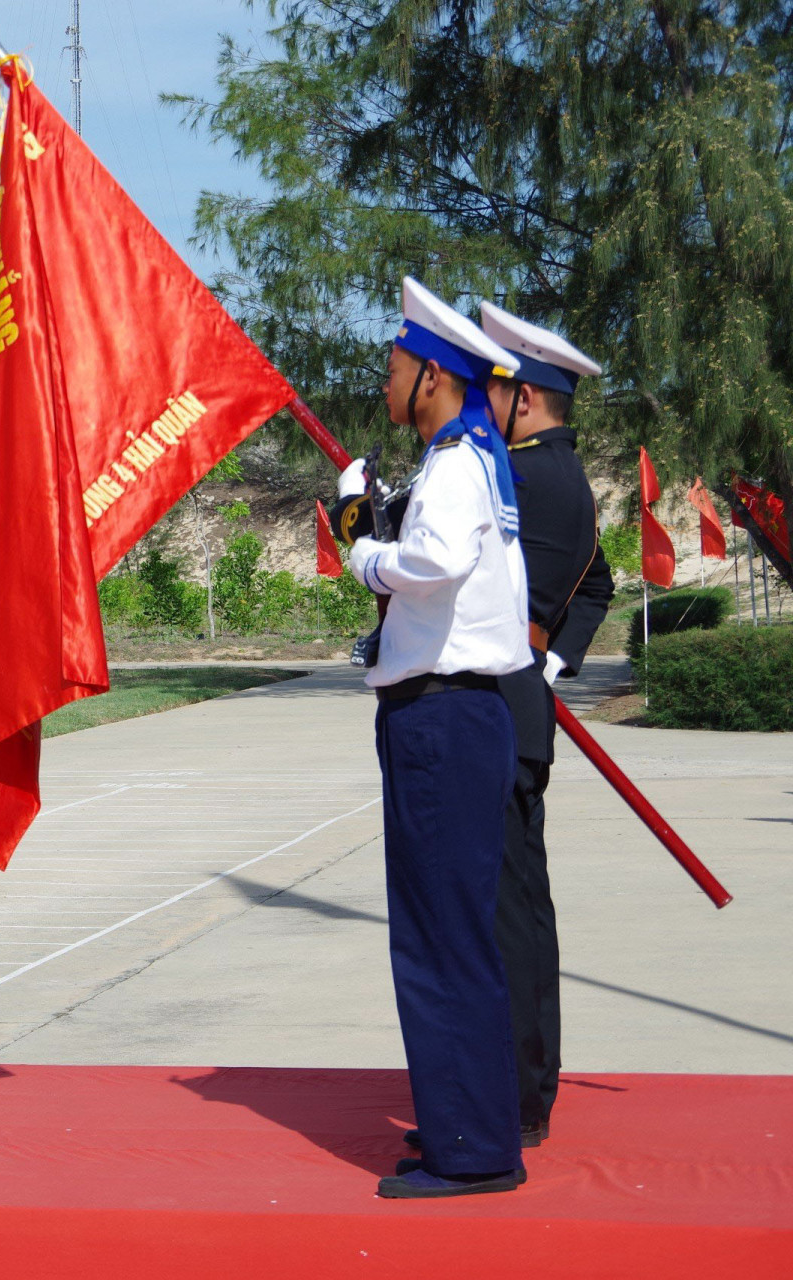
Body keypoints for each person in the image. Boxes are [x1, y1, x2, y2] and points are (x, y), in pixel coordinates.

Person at [342, 277, 531, 1198]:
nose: (385, 388)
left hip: (442, 718)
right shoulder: (475, 462)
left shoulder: (457, 465)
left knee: (436, 937)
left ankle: (473, 1150)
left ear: (432, 378)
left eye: (394, 371)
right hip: (460, 714)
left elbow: (438, 563)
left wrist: (365, 553)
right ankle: (469, 1120)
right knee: (454, 932)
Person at [468, 302, 615, 1150]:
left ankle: (518, 1092)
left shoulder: (518, 478)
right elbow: (594, 587)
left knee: (504, 912)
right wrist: (551, 663)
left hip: (491, 706)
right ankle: (524, 1086)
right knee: (518, 903)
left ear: (522, 397)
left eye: (490, 387)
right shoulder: (563, 477)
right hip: (516, 697)